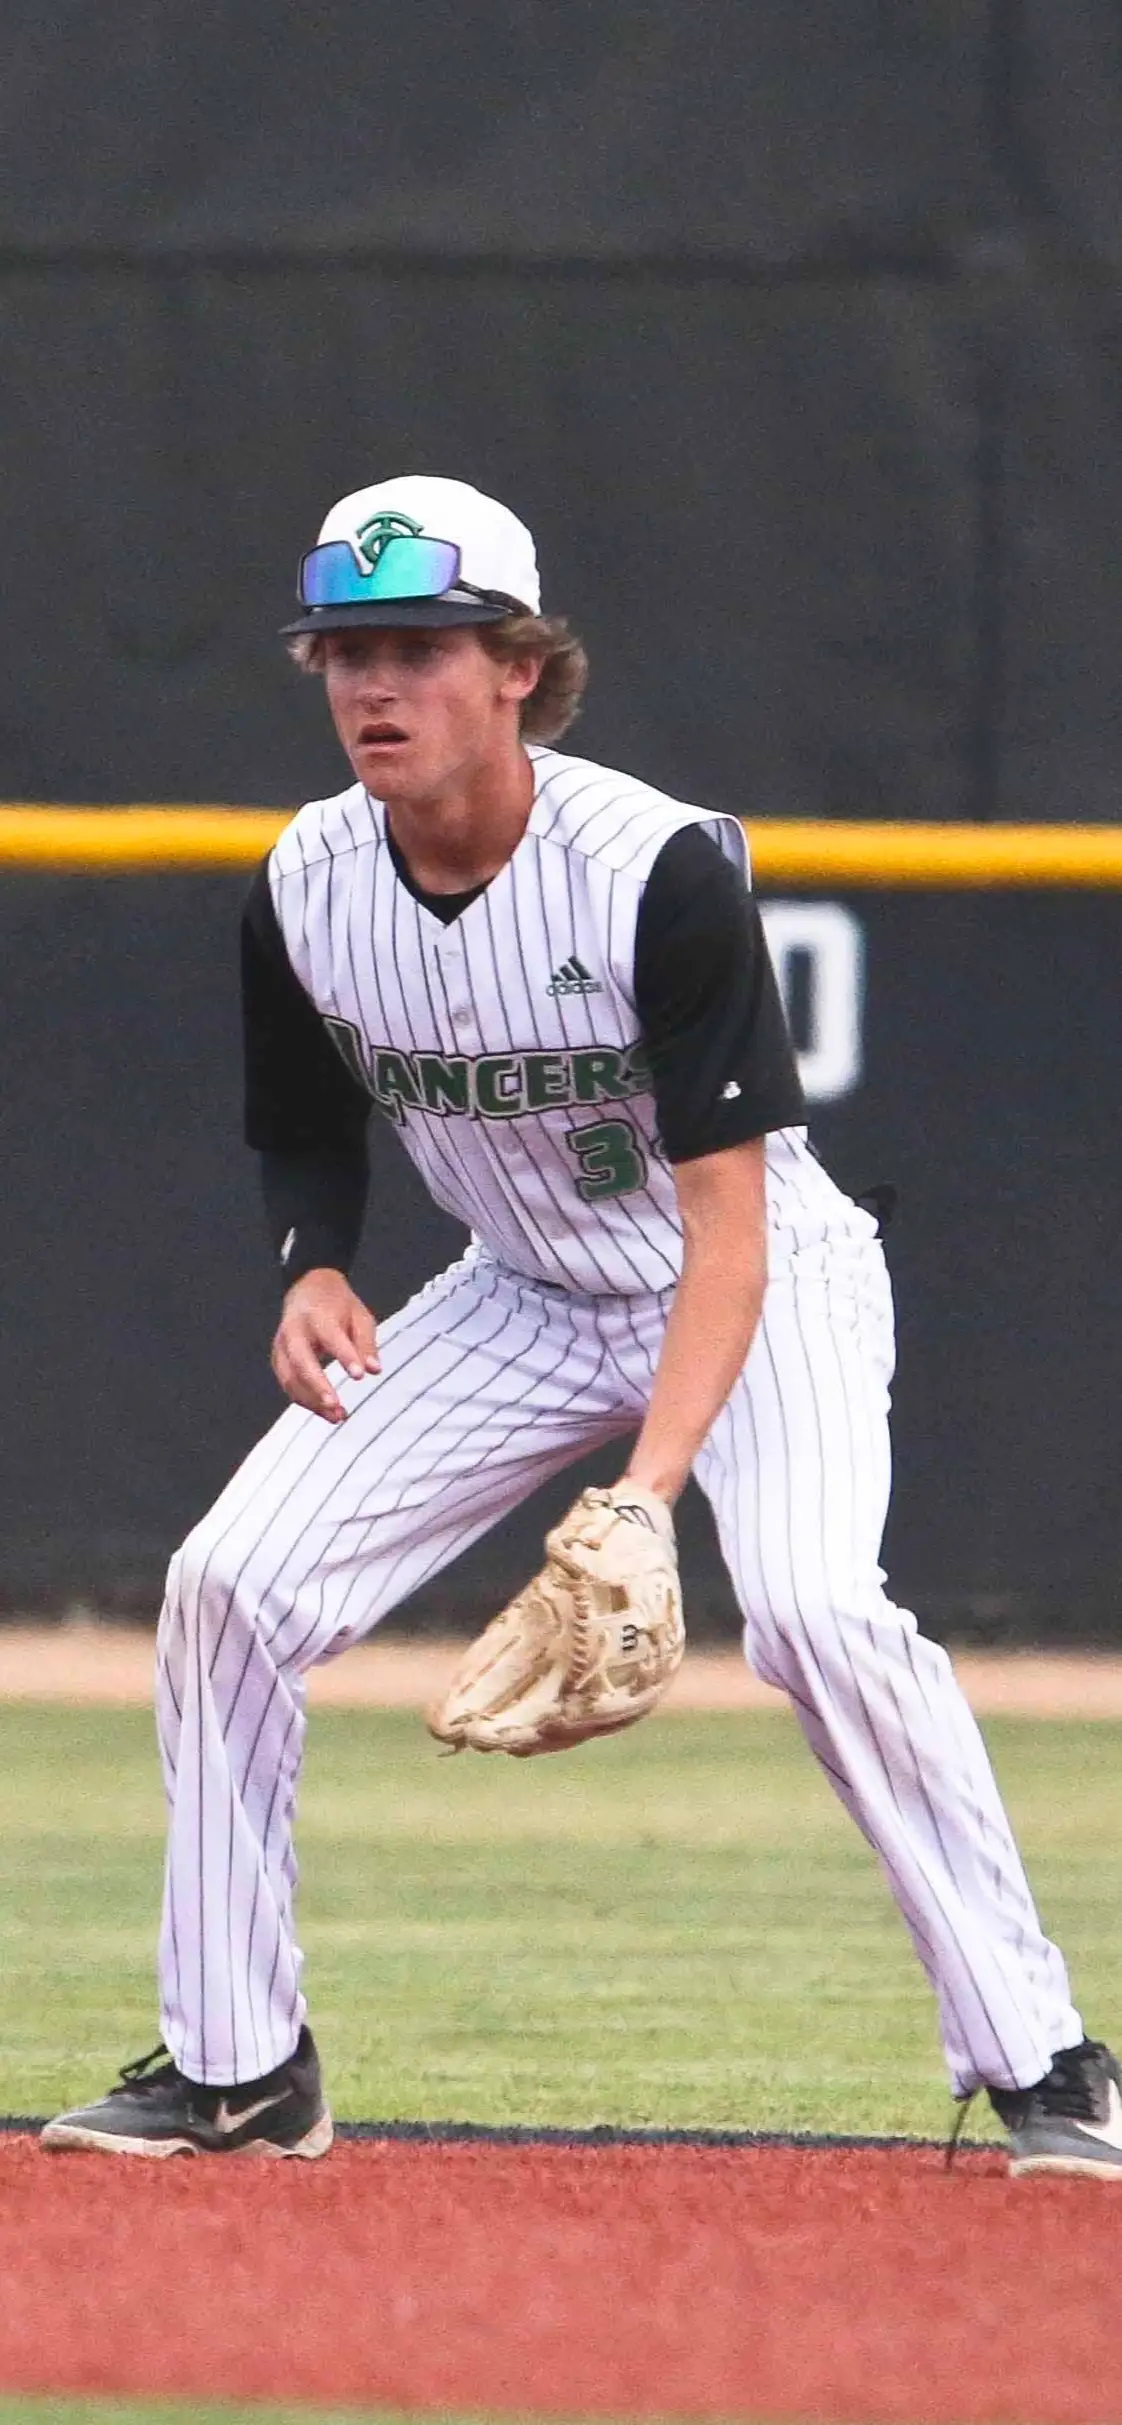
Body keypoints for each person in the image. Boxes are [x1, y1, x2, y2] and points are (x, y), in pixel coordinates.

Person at [43, 474, 1120, 2173]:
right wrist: (314, 1262)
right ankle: (237, 2066)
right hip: (521, 1291)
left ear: (519, 669)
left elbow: (728, 1231)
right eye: (344, 652)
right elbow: (303, 1116)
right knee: (226, 1588)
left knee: (817, 1616)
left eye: (419, 648)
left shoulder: (649, 870)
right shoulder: (306, 878)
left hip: (753, 1283)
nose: (372, 685)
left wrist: (646, 1493)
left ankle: (1045, 2060)